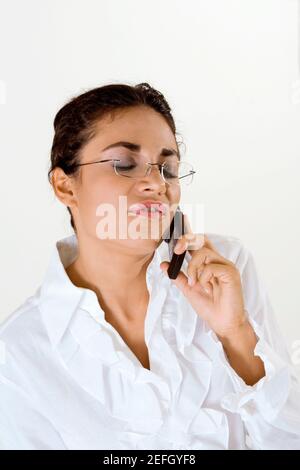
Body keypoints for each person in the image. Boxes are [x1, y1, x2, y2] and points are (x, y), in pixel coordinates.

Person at [0, 83, 299, 450]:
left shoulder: (225, 270)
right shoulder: (18, 353)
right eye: (124, 164)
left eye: (169, 169)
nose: (157, 184)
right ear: (65, 187)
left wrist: (236, 333)